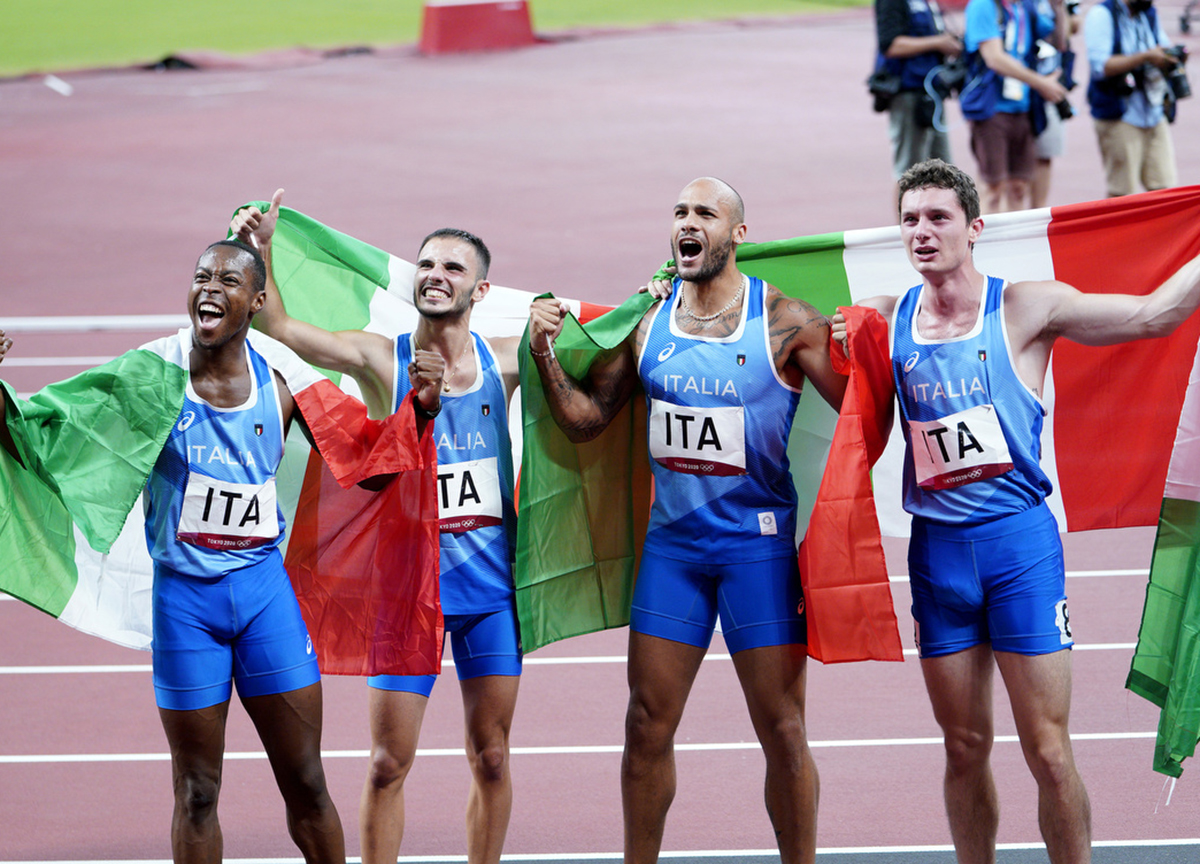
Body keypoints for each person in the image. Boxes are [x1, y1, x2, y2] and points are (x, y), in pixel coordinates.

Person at [833, 158, 1200, 864]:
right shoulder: (883, 318)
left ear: (974, 228)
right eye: (909, 220)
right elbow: (776, 336)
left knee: (1049, 751)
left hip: (1019, 552)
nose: (921, 232)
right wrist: (682, 291)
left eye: (937, 217)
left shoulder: (1026, 309)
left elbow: (1154, 313)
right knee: (963, 746)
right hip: (937, 555)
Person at [527, 177, 847, 864]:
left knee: (783, 730)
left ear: (738, 234)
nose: (688, 222)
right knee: (645, 725)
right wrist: (543, 352)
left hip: (757, 554)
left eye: (706, 212)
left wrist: (863, 344)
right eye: (679, 212)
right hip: (674, 554)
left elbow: (859, 408)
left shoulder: (786, 321)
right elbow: (586, 419)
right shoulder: (649, 322)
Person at [1, 240, 348, 864]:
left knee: (307, 782)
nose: (210, 287)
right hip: (186, 607)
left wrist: (424, 409)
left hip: (265, 599)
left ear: (257, 302)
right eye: (201, 276)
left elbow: (368, 462)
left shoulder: (283, 384)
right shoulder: (150, 378)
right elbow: (43, 430)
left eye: (228, 280)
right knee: (196, 793)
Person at [231, 192, 522, 864]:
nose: (435, 276)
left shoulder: (507, 361)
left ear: (480, 290)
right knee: (389, 763)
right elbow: (280, 328)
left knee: (493, 755)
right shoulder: (381, 360)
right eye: (427, 265)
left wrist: (656, 298)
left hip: (488, 595)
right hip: (406, 594)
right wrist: (262, 247)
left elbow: (602, 345)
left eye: (453, 268)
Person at [960, 0, 1068, 212]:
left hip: (1023, 107)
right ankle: (983, 233)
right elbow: (994, 58)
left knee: (1019, 187)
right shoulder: (983, 5)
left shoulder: (1024, 6)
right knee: (993, 188)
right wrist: (1041, 83)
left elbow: (1057, 42)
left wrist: (1059, 8)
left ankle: (1013, 234)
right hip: (991, 108)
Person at [1084, 0, 1180, 197]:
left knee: (1165, 190)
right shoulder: (1102, 14)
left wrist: (1171, 57)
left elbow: (1162, 47)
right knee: (1122, 193)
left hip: (1153, 112)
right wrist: (1144, 57)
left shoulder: (1148, 13)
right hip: (1120, 114)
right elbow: (1100, 66)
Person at [873, 0, 963, 183]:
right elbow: (890, 45)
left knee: (944, 172)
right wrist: (937, 42)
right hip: (909, 93)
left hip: (933, 93)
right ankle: (904, 204)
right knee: (909, 173)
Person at [1031, 0, 1081, 209]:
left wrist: (1060, 10)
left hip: (1051, 83)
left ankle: (1038, 212)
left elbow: (1071, 31)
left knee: (1045, 155)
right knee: (1014, 168)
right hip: (1021, 86)